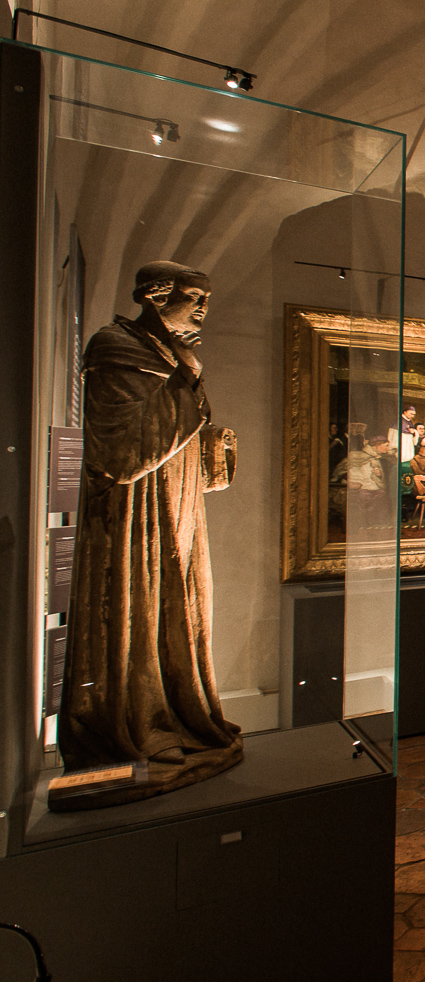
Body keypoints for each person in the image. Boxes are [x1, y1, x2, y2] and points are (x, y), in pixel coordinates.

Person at [57, 260, 244, 808]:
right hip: (133, 517)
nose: (203, 309)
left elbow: (176, 430)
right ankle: (140, 727)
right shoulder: (116, 348)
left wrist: (211, 445)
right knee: (137, 608)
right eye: (195, 298)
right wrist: (186, 378)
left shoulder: (170, 353)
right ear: (158, 297)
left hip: (175, 507)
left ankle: (177, 716)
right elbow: (122, 452)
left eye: (205, 299)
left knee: (177, 608)